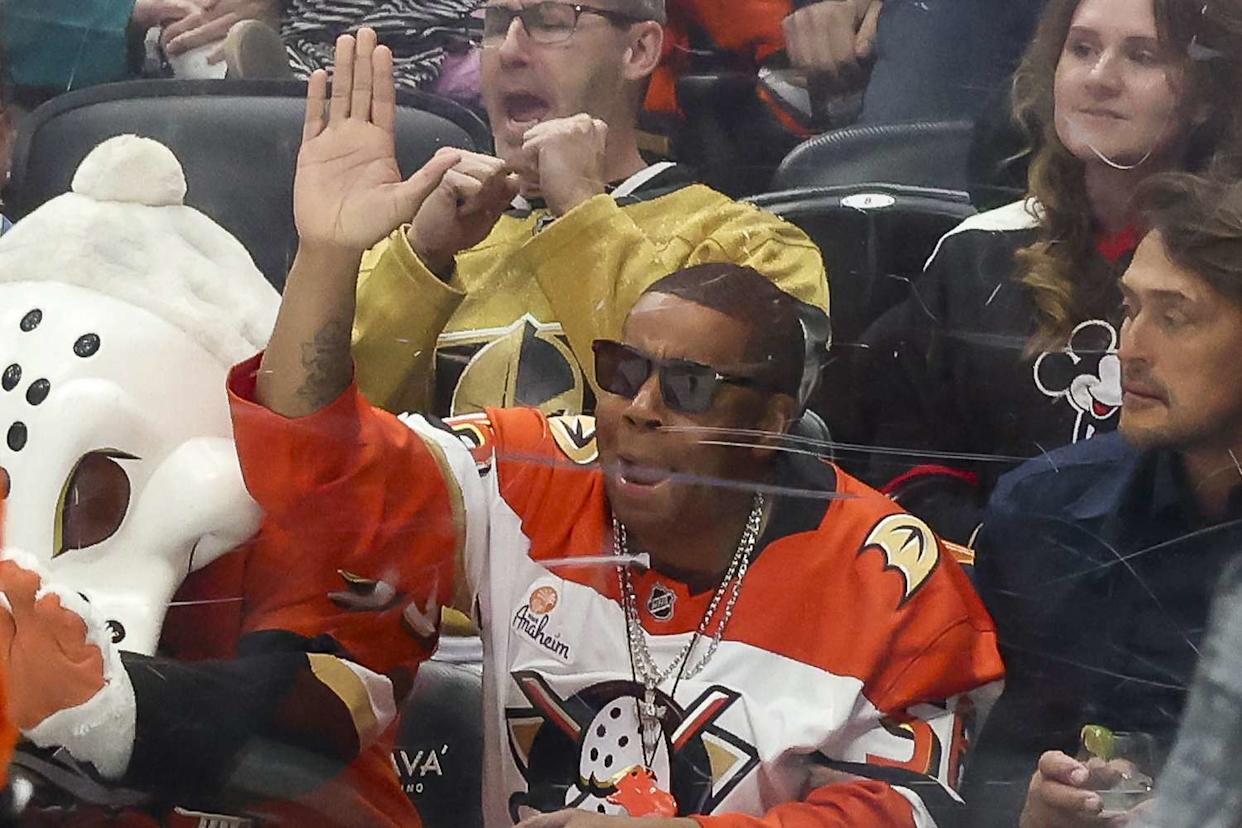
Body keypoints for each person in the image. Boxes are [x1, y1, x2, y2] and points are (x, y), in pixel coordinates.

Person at [228, 32, 1003, 826]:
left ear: (774, 421)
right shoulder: (530, 473)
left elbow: (903, 814)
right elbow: (310, 461)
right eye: (623, 374)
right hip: (427, 635)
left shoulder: (889, 573)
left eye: (690, 388)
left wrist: (583, 212)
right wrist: (329, 253)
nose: (638, 408)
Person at [859, 0, 1242, 543]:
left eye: (1142, 56)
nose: (1100, 78)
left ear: (1206, 96)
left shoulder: (1233, 268)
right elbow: (910, 470)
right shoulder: (974, 254)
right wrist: (1025, 565)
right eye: (1081, 49)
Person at [345, 2, 828, 418]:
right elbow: (330, 446)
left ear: (639, 50)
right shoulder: (415, 246)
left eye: (551, 21)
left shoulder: (754, 245)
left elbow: (705, 422)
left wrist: (580, 209)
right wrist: (423, 259)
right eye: (495, 22)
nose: (509, 51)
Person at [963, 171, 1242, 827]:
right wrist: (1029, 808)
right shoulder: (1045, 509)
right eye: (1129, 308)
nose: (1130, 349)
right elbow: (987, 764)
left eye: (1174, 318)